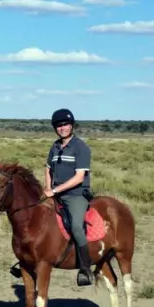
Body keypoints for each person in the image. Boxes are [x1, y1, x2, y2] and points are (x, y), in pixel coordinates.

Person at [43, 108, 94, 286]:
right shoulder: (55, 146)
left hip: (75, 195)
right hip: (55, 193)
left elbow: (79, 177)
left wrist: (55, 191)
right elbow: (48, 169)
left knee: (76, 226)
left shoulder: (81, 148)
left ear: (72, 125)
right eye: (59, 125)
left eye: (65, 124)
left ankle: (86, 269)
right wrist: (48, 189)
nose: (62, 128)